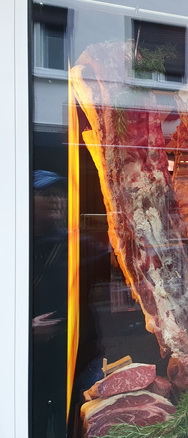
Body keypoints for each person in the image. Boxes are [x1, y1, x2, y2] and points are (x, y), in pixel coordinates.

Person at [32, 170, 69, 438]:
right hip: (29, 366)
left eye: (59, 194)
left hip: (66, 359)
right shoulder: (13, 245)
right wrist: (25, 330)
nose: (56, 200)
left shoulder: (73, 243)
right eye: (46, 193)